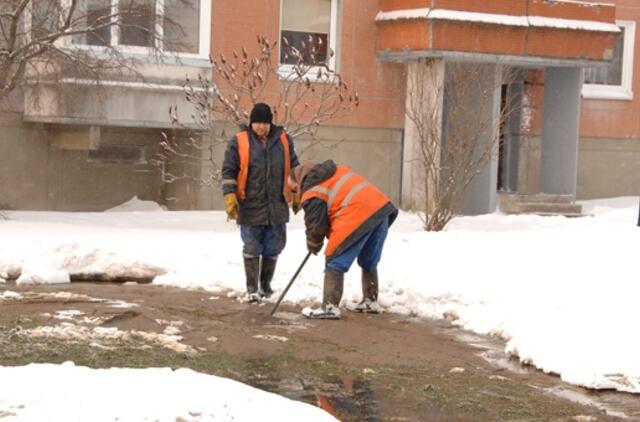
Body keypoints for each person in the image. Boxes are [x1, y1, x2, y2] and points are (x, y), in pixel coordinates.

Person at [289, 160, 398, 319]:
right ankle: (370, 301)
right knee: (369, 260)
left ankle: (330, 307)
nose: (296, 193)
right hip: (380, 209)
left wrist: (313, 244)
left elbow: (316, 226)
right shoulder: (335, 171)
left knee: (335, 259)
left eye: (294, 189)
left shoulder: (313, 190)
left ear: (300, 180)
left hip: (357, 213)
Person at [222, 103, 300, 303]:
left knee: (275, 246)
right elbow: (229, 171)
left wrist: (298, 191)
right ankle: (252, 289)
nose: (261, 127)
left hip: (277, 205)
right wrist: (230, 195)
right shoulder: (239, 141)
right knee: (252, 246)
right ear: (251, 123)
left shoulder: (284, 140)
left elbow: (295, 169)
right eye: (257, 123)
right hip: (250, 204)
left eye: (264, 123)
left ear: (270, 123)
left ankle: (265, 286)